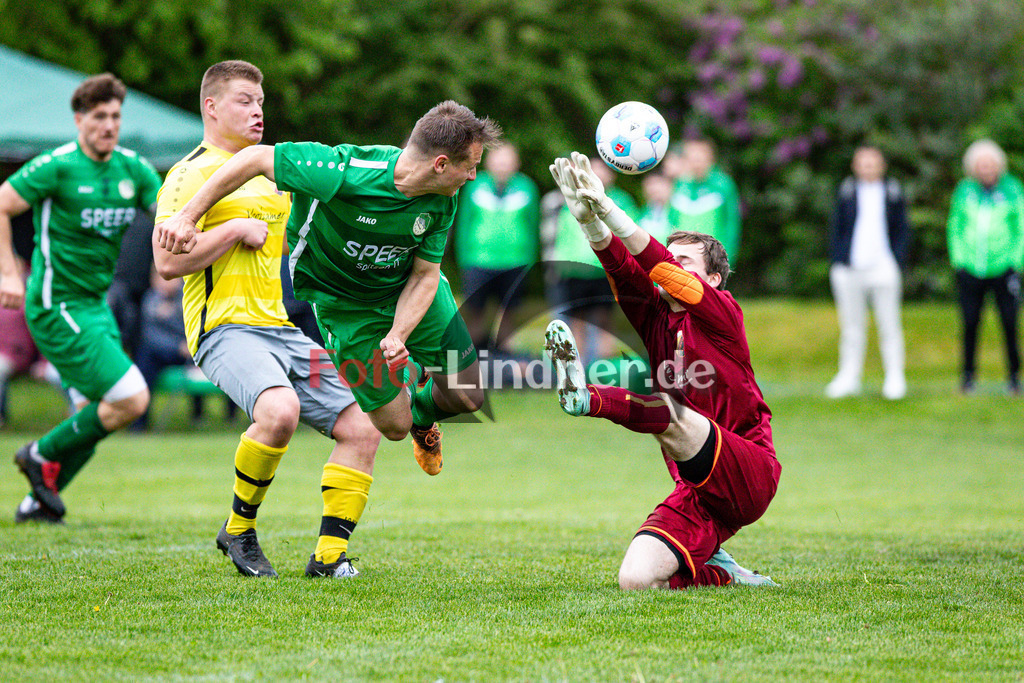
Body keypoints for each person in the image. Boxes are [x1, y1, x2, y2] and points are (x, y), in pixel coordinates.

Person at [157, 99, 499, 480]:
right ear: (441, 164)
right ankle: (413, 408)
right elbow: (254, 158)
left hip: (413, 291)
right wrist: (186, 216)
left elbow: (424, 275)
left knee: (469, 396)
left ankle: (420, 400)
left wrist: (398, 335)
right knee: (394, 426)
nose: (472, 176)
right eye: (469, 166)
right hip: (347, 309)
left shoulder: (443, 197)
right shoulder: (343, 171)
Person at [152, 61, 382, 579]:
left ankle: (328, 559)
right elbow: (165, 264)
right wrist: (233, 229)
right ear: (211, 107)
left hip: (280, 328)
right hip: (223, 329)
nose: (257, 111)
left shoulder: (270, 174)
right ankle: (238, 529)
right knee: (280, 412)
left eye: (260, 102)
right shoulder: (190, 173)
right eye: (244, 101)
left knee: (361, 425)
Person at [544, 152, 781, 590]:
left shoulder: (722, 312)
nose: (672, 265)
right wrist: (590, 221)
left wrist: (610, 207)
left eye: (684, 261)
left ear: (713, 279)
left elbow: (659, 268)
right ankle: (721, 571)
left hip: (749, 472)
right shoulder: (655, 318)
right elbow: (624, 271)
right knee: (636, 580)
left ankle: (586, 397)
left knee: (670, 412)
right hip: (696, 490)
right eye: (671, 257)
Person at [0, 73, 161, 524]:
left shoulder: (133, 168)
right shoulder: (56, 166)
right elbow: (2, 203)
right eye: (99, 116)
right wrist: (8, 272)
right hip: (56, 305)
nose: (109, 125)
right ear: (79, 120)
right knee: (132, 398)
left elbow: (171, 211)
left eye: (116, 117)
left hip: (95, 305)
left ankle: (38, 505)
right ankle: (38, 453)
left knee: (97, 414)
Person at [826, 146, 910, 400]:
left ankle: (894, 377)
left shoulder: (892, 192)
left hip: (884, 267)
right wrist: (838, 260)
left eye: (872, 163)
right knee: (851, 327)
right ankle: (849, 377)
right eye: (863, 163)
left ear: (882, 166)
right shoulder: (847, 192)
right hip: (850, 268)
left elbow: (902, 229)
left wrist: (896, 259)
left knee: (889, 324)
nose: (868, 168)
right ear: (855, 166)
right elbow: (836, 228)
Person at [541, 157, 638, 368]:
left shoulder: (622, 200)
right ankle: (581, 369)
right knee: (578, 322)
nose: (600, 175)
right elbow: (563, 234)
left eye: (604, 171)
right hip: (574, 270)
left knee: (604, 322)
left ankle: (604, 370)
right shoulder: (571, 197)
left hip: (606, 270)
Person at [947, 139, 1023, 395]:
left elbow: (1020, 227)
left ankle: (1014, 377)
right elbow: (955, 226)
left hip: (1004, 268)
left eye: (990, 164)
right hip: (971, 268)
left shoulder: (1013, 189)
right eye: (981, 164)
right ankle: (968, 376)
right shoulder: (965, 190)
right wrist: (959, 260)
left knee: (1009, 322)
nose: (986, 169)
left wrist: (1016, 262)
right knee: (970, 323)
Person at [453, 142, 538, 354]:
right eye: (498, 159)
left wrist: (530, 259)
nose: (502, 165)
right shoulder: (474, 184)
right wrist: (463, 258)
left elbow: (533, 225)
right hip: (478, 261)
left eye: (507, 160)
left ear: (516, 163)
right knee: (474, 313)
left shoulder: (527, 187)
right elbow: (463, 222)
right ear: (488, 161)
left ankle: (505, 360)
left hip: (515, 262)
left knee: (507, 315)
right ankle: (469, 359)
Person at [668, 139, 741, 261]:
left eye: (699, 155)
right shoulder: (679, 185)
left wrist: (727, 259)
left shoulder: (723, 185)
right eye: (691, 156)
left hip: (712, 258)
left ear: (710, 157)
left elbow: (732, 224)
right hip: (682, 258)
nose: (696, 161)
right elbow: (671, 221)